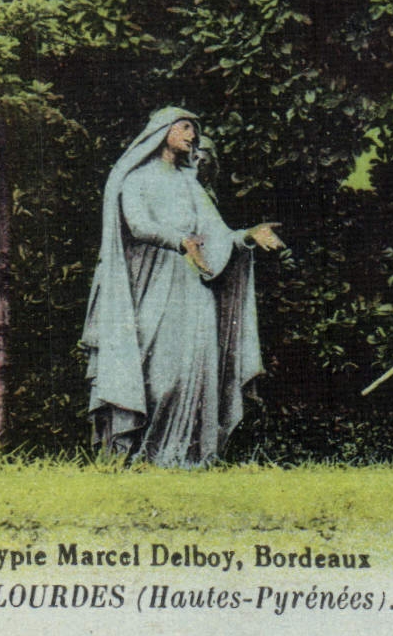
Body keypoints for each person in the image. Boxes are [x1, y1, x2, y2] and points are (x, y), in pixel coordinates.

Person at [82, 108, 284, 467]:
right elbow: (138, 224)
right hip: (156, 285)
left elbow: (218, 236)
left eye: (196, 128)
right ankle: (140, 457)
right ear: (162, 130)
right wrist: (180, 242)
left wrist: (249, 237)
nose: (192, 134)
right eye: (186, 126)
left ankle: (187, 458)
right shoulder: (136, 179)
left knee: (197, 370)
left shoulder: (189, 184)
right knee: (160, 376)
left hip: (196, 288)